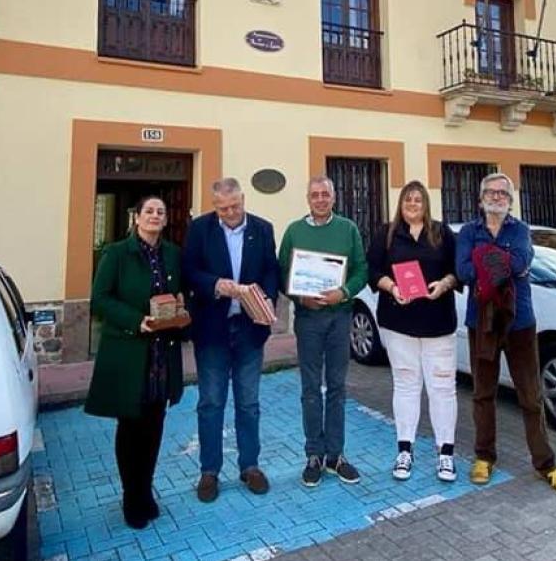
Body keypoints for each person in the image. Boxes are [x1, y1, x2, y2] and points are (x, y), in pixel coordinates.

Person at [455, 173, 556, 495]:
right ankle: (484, 458)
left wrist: (482, 261)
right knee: (483, 394)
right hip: (480, 323)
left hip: (519, 322)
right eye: (490, 193)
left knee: (531, 397)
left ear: (510, 199)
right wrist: (497, 264)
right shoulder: (468, 232)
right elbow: (463, 270)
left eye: (502, 193)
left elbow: (522, 262)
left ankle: (545, 464)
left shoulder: (519, 230)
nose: (496, 197)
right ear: (480, 199)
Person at [84, 196, 192, 528]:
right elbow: (99, 299)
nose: (155, 216)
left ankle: (146, 492)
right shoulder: (116, 254)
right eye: (149, 211)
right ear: (137, 218)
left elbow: (180, 293)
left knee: (154, 428)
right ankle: (131, 498)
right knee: (130, 428)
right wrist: (136, 319)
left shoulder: (172, 253)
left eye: (160, 212)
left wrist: (181, 310)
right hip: (131, 354)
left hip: (162, 356)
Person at [183, 177, 280, 503]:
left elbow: (271, 270)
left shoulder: (263, 229)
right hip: (212, 330)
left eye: (235, 206)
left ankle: (250, 466)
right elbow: (189, 271)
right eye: (223, 208)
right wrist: (215, 284)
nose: (230, 213)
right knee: (211, 402)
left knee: (249, 404)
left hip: (250, 329)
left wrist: (263, 300)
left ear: (244, 199)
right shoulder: (200, 229)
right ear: (214, 206)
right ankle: (209, 471)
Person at [278, 175, 368, 487]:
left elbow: (362, 271)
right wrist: (298, 296)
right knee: (310, 389)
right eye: (314, 194)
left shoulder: (348, 229)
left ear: (333, 198)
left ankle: (336, 456)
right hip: (308, 319)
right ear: (308, 198)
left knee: (338, 387)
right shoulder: (294, 231)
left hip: (340, 317)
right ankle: (313, 455)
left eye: (325, 194)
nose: (320, 199)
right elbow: (281, 274)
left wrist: (343, 292)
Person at [366, 180, 459, 482]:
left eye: (418, 199)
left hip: (438, 322)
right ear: (401, 203)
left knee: (442, 388)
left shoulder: (442, 232)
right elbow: (372, 270)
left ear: (426, 203)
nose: (413, 204)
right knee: (406, 385)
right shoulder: (387, 233)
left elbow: (459, 270)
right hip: (399, 323)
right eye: (408, 199)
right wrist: (391, 287)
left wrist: (443, 284)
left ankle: (445, 454)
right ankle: (404, 450)